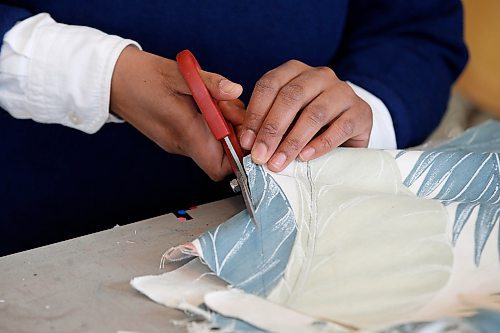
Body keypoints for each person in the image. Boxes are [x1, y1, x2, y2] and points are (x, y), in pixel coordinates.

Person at [0, 1, 468, 255]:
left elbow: (417, 32)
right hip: (30, 229)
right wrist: (103, 76)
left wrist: (363, 108)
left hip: (291, 236)